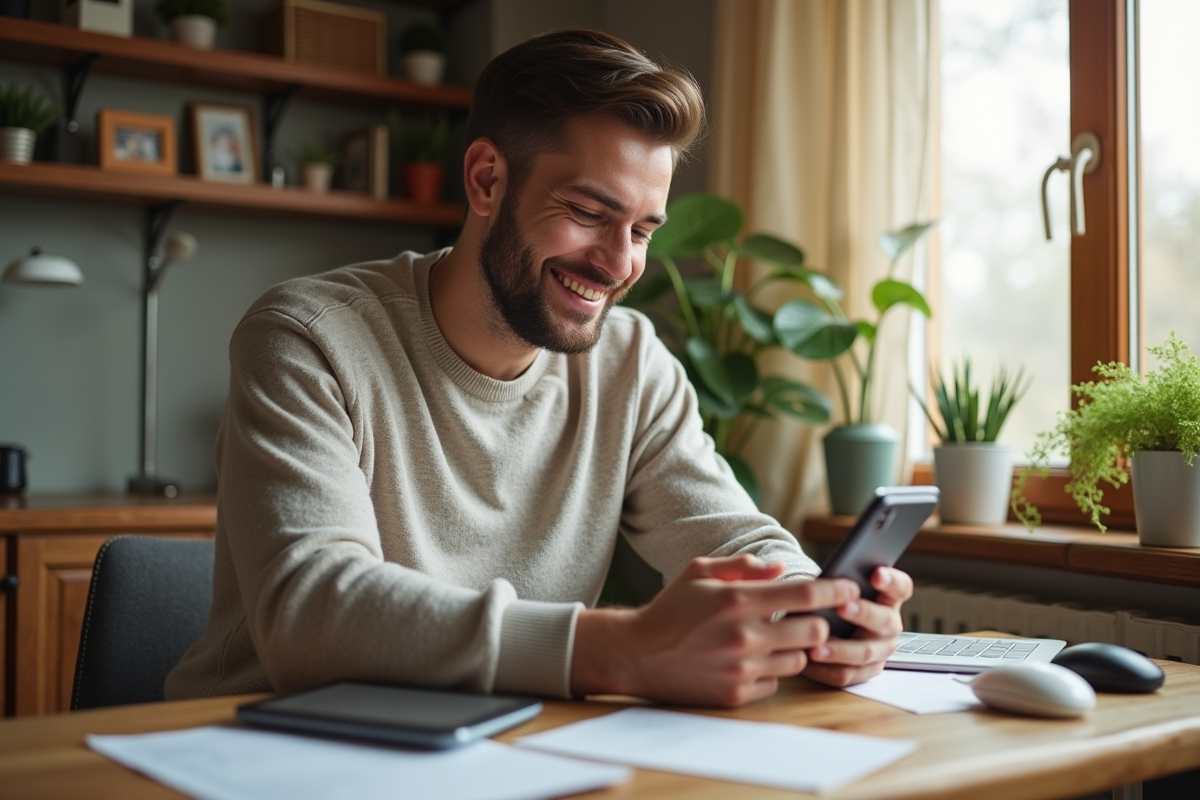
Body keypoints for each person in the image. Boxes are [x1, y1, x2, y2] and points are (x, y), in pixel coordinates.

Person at [166, 29, 911, 709]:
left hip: (503, 747)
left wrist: (815, 612)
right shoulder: (308, 339)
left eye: (643, 229)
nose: (620, 265)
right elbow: (313, 615)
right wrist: (626, 650)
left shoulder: (630, 364)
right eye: (589, 213)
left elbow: (740, 542)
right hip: (263, 746)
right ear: (488, 180)